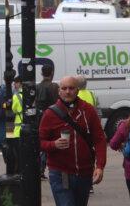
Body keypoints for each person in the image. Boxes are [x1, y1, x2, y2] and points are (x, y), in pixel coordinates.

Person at [39, 75, 107, 206]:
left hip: (84, 173)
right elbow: (39, 142)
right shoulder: (50, 113)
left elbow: (99, 139)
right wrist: (54, 144)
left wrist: (100, 166)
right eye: (64, 88)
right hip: (60, 173)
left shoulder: (88, 110)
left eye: (71, 88)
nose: (67, 91)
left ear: (77, 90)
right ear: (59, 91)